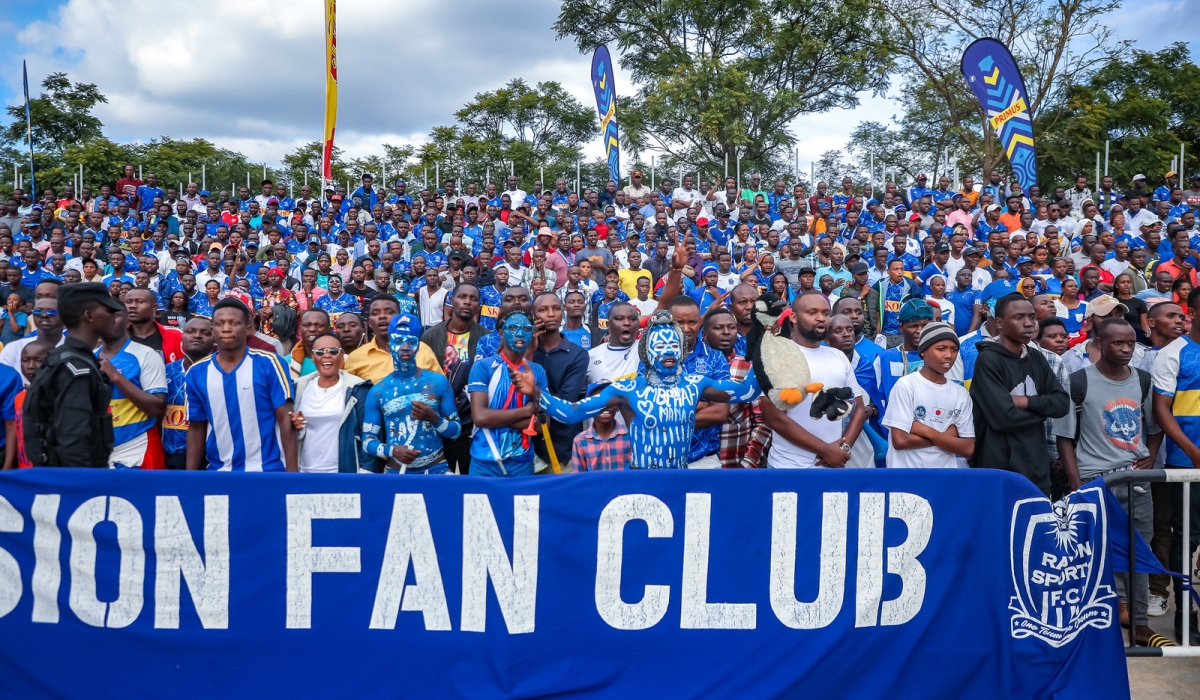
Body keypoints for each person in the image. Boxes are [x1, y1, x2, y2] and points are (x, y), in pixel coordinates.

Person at [512, 310, 761, 469]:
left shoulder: (696, 383)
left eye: (673, 345)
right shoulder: (628, 388)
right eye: (659, 346)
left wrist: (765, 341)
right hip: (642, 480)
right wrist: (536, 394)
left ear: (683, 351)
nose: (668, 352)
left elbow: (746, 392)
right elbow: (573, 413)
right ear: (647, 353)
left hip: (682, 478)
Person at [1055, 318, 1160, 646]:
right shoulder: (1078, 382)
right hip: (1095, 482)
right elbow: (1064, 438)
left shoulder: (1143, 380)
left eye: (1130, 343)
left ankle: (1139, 622)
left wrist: (1150, 458)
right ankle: (1093, 620)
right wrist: (1076, 483)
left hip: (1137, 483)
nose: (1126, 349)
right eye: (1118, 343)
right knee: (1091, 554)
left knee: (1138, 553)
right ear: (1099, 342)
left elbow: (1155, 429)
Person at [968, 293, 1070, 495]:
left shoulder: (1037, 358)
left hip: (1037, 466)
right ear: (999, 323)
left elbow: (1061, 404)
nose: (1029, 324)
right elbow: (1004, 418)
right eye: (1018, 318)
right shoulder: (988, 360)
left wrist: (1024, 401)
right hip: (999, 467)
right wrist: (1042, 410)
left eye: (1032, 317)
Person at [185, 297, 298, 472]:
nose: (226, 328)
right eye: (219, 323)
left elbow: (286, 418)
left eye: (234, 323)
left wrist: (292, 476)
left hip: (268, 471)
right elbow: (196, 427)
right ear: (213, 330)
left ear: (247, 329)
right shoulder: (196, 372)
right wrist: (189, 479)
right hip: (219, 472)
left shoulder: (270, 363)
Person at [24, 283, 122, 468]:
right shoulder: (76, 368)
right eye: (108, 310)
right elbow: (72, 439)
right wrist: (83, 487)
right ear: (89, 315)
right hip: (72, 480)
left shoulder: (62, 357)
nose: (114, 316)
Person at [1150, 286, 1200, 644]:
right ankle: (1186, 618)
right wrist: (1194, 453)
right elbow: (1161, 411)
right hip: (1188, 465)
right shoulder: (1173, 354)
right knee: (1186, 541)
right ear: (1192, 314)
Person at [362, 314, 461, 474]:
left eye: (412, 342)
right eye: (398, 342)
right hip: (396, 473)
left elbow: (456, 431)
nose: (405, 347)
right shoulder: (378, 391)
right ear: (389, 346)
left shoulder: (438, 383)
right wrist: (392, 451)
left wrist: (434, 419)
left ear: (419, 346)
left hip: (437, 470)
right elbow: (367, 442)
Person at [882, 322, 975, 468]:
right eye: (941, 349)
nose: (948, 355)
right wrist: (948, 436)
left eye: (954, 349)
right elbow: (900, 441)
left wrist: (926, 431)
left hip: (944, 479)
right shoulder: (906, 386)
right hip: (907, 478)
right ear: (923, 351)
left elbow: (968, 448)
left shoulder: (961, 394)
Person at [468, 308, 548, 476]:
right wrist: (526, 412)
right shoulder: (483, 367)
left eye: (526, 329)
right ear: (501, 333)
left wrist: (495, 417)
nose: (520, 333)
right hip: (484, 462)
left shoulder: (537, 371)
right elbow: (480, 417)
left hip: (521, 462)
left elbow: (542, 425)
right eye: (512, 328)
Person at [292, 333, 374, 473]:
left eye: (334, 351)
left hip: (343, 472)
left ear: (342, 356)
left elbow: (367, 434)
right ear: (312, 357)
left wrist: (366, 473)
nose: (327, 355)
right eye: (319, 352)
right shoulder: (298, 387)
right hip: (304, 471)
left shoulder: (357, 388)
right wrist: (294, 426)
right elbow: (285, 430)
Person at [97, 306, 168, 469]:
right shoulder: (89, 356)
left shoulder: (146, 354)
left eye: (114, 316)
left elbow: (158, 408)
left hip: (137, 449)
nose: (107, 320)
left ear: (128, 322)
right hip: (99, 451)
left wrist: (116, 377)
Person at [530, 292, 589, 472]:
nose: (550, 314)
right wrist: (529, 351)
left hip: (562, 447)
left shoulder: (577, 354)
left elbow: (566, 399)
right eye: (543, 310)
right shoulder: (524, 350)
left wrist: (530, 404)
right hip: (526, 450)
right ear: (534, 316)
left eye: (555, 308)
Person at [344, 295, 442, 383]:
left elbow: (442, 387)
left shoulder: (422, 349)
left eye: (389, 312)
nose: (382, 316)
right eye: (375, 313)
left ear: (400, 318)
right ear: (369, 322)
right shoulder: (356, 358)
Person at [162, 317, 213, 470]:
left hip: (210, 455)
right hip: (170, 454)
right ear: (182, 337)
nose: (197, 335)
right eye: (190, 331)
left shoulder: (221, 373)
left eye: (205, 332)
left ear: (215, 339)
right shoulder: (165, 371)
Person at [570, 390, 632, 471]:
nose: (605, 407)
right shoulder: (580, 441)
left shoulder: (631, 436)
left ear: (617, 407)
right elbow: (578, 478)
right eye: (598, 402)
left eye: (609, 401)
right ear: (589, 407)